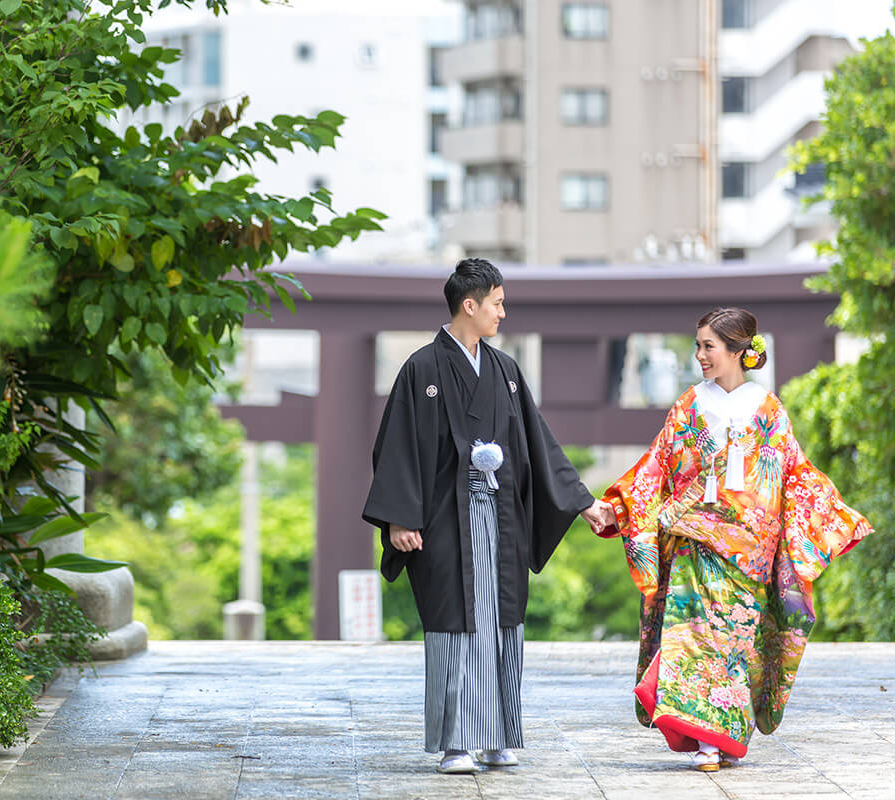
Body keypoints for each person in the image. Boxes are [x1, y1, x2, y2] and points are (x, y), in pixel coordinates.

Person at [362, 258, 614, 775]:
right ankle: (457, 743)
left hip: (500, 517)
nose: (504, 311)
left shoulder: (504, 370)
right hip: (443, 518)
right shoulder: (422, 369)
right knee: (456, 623)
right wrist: (399, 518)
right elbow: (398, 449)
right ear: (469, 305)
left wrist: (583, 501)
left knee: (501, 621)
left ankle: (498, 736)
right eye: (497, 302)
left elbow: (538, 443)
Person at [597, 307, 873, 772]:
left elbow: (795, 475)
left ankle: (721, 734)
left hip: (749, 548)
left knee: (735, 644)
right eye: (699, 344)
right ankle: (706, 742)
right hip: (693, 538)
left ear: (739, 351)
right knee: (695, 636)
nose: (700, 354)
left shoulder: (767, 409)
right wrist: (619, 505)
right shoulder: (689, 404)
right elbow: (656, 465)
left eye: (709, 346)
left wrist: (833, 519)